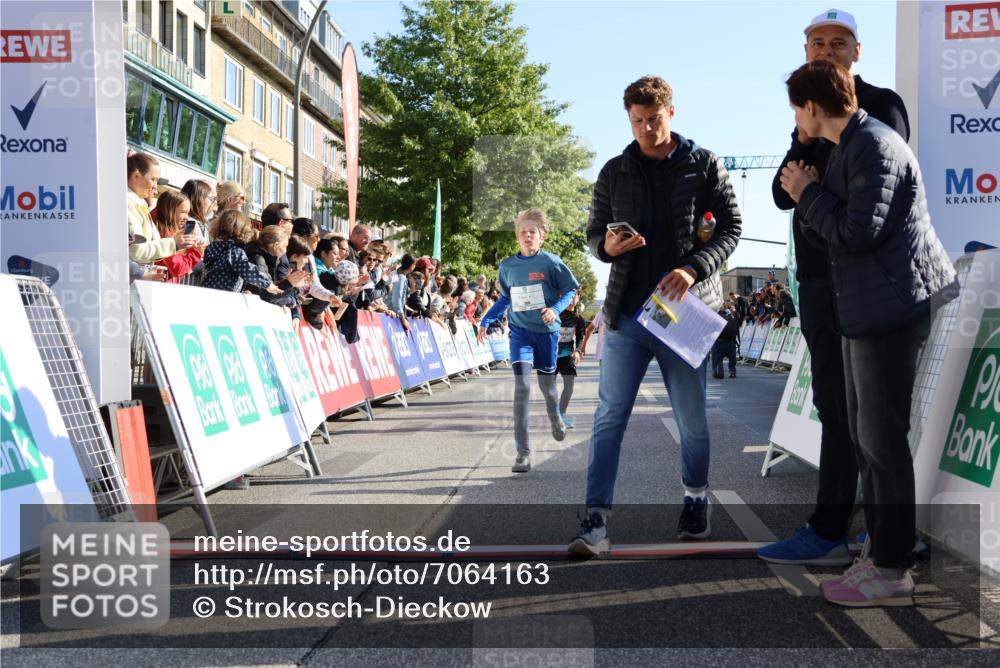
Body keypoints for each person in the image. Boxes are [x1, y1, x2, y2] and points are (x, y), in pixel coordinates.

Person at [777, 60, 956, 606]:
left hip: (890, 309)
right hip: (865, 309)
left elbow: (856, 232)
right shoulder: (851, 144)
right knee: (867, 439)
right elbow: (831, 228)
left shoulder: (874, 145)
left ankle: (893, 567)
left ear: (811, 108)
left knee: (882, 442)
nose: (796, 124)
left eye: (796, 112)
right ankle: (880, 555)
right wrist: (810, 196)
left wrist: (807, 192)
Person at [760, 8, 915, 570]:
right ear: (805, 52)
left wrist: (812, 167)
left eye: (837, 42)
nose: (826, 50)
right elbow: (783, 193)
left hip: (868, 281)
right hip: (820, 280)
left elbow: (868, 191)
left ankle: (875, 539)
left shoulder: (880, 105)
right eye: (816, 42)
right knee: (836, 406)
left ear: (856, 51)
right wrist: (806, 145)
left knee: (873, 420)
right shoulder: (805, 108)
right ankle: (837, 531)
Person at [569, 75, 741, 556]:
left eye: (655, 119)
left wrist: (694, 267)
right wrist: (605, 246)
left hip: (684, 313)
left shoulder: (703, 163)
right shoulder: (613, 171)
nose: (647, 128)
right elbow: (593, 237)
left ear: (672, 112)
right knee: (608, 419)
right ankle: (596, 519)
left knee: (692, 422)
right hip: (626, 314)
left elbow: (732, 227)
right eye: (638, 121)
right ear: (629, 118)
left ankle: (695, 499)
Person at [477, 208, 579, 474]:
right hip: (520, 332)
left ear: (542, 236)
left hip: (546, 333)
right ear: (517, 237)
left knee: (548, 389)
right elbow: (505, 299)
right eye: (522, 232)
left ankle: (555, 415)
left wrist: (555, 310)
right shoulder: (507, 266)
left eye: (532, 232)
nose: (527, 236)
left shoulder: (551, 262)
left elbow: (570, 290)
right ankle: (523, 453)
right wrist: (486, 320)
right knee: (521, 388)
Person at [127, 152, 197, 266]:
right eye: (153, 179)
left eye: (157, 181)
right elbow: (135, 251)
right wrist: (173, 243)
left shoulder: (137, 204)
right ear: (136, 176)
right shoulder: (130, 204)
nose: (155, 186)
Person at [201, 211, 284, 296]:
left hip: (207, 292)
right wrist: (267, 284)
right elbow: (247, 270)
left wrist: (239, 292)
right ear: (242, 230)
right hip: (224, 296)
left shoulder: (212, 247)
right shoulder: (234, 251)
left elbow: (220, 273)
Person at [150, 190, 204, 283]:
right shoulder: (165, 234)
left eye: (188, 213)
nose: (187, 217)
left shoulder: (164, 230)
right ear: (170, 211)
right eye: (183, 212)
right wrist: (196, 252)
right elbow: (179, 268)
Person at [555, 295, 587, 428]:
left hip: (567, 356)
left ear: (578, 299)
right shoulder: (554, 313)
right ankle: (555, 413)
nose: (571, 300)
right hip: (551, 357)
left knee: (569, 386)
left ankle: (561, 414)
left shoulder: (578, 319)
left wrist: (578, 350)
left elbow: (580, 337)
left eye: (574, 297)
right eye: (569, 296)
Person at [711, 302, 740, 379]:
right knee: (732, 358)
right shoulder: (731, 317)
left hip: (719, 342)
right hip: (731, 342)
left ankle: (717, 367)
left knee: (716, 356)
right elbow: (736, 329)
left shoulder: (716, 316)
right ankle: (732, 371)